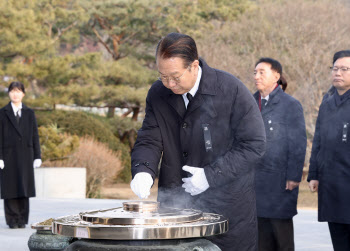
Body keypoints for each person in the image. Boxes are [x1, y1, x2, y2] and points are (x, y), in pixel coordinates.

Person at [130, 32, 266, 251]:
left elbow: (254, 144)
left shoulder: (230, 90)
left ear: (193, 66)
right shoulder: (158, 93)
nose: (169, 84)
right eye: (162, 76)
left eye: (175, 76)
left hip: (227, 210)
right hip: (175, 209)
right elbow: (149, 138)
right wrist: (143, 170)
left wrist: (210, 176)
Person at [253, 58, 307, 251]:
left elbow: (298, 143)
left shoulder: (290, 104)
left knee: (281, 236)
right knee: (260, 236)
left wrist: (294, 176)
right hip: (255, 180)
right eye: (255, 72)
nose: (256, 76)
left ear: (276, 75)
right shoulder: (250, 103)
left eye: (261, 72)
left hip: (280, 180)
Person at [308, 50, 350, 251]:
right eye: (335, 69)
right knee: (339, 240)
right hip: (331, 183)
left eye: (344, 69)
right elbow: (318, 140)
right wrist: (314, 174)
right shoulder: (327, 102)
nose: (338, 73)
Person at [0, 81, 42, 229]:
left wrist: (37, 156)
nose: (15, 94)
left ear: (23, 93)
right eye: (12, 91)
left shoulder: (29, 113)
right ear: (9, 93)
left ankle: (22, 219)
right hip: (8, 156)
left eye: (18, 91)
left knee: (24, 187)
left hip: (26, 155)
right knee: (10, 188)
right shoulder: (2, 113)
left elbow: (34, 135)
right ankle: (12, 220)